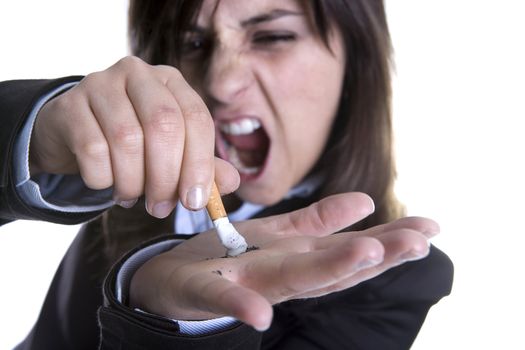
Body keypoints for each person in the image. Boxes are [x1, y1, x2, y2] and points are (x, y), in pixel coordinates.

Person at [0, 0, 453, 349]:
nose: (219, 82)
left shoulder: (389, 286)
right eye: (194, 44)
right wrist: (33, 136)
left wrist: (180, 322)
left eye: (272, 37)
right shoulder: (126, 191)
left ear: (356, 62)